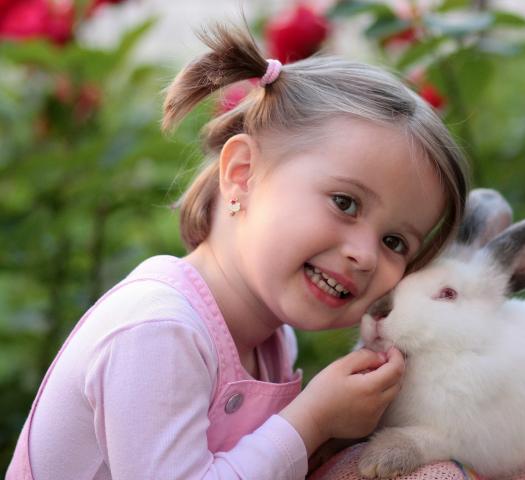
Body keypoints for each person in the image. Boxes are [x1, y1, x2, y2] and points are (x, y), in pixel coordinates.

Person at [6, 22, 468, 480]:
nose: (365, 255)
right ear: (243, 174)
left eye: (395, 242)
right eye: (345, 203)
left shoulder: (271, 340)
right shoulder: (159, 329)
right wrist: (312, 421)